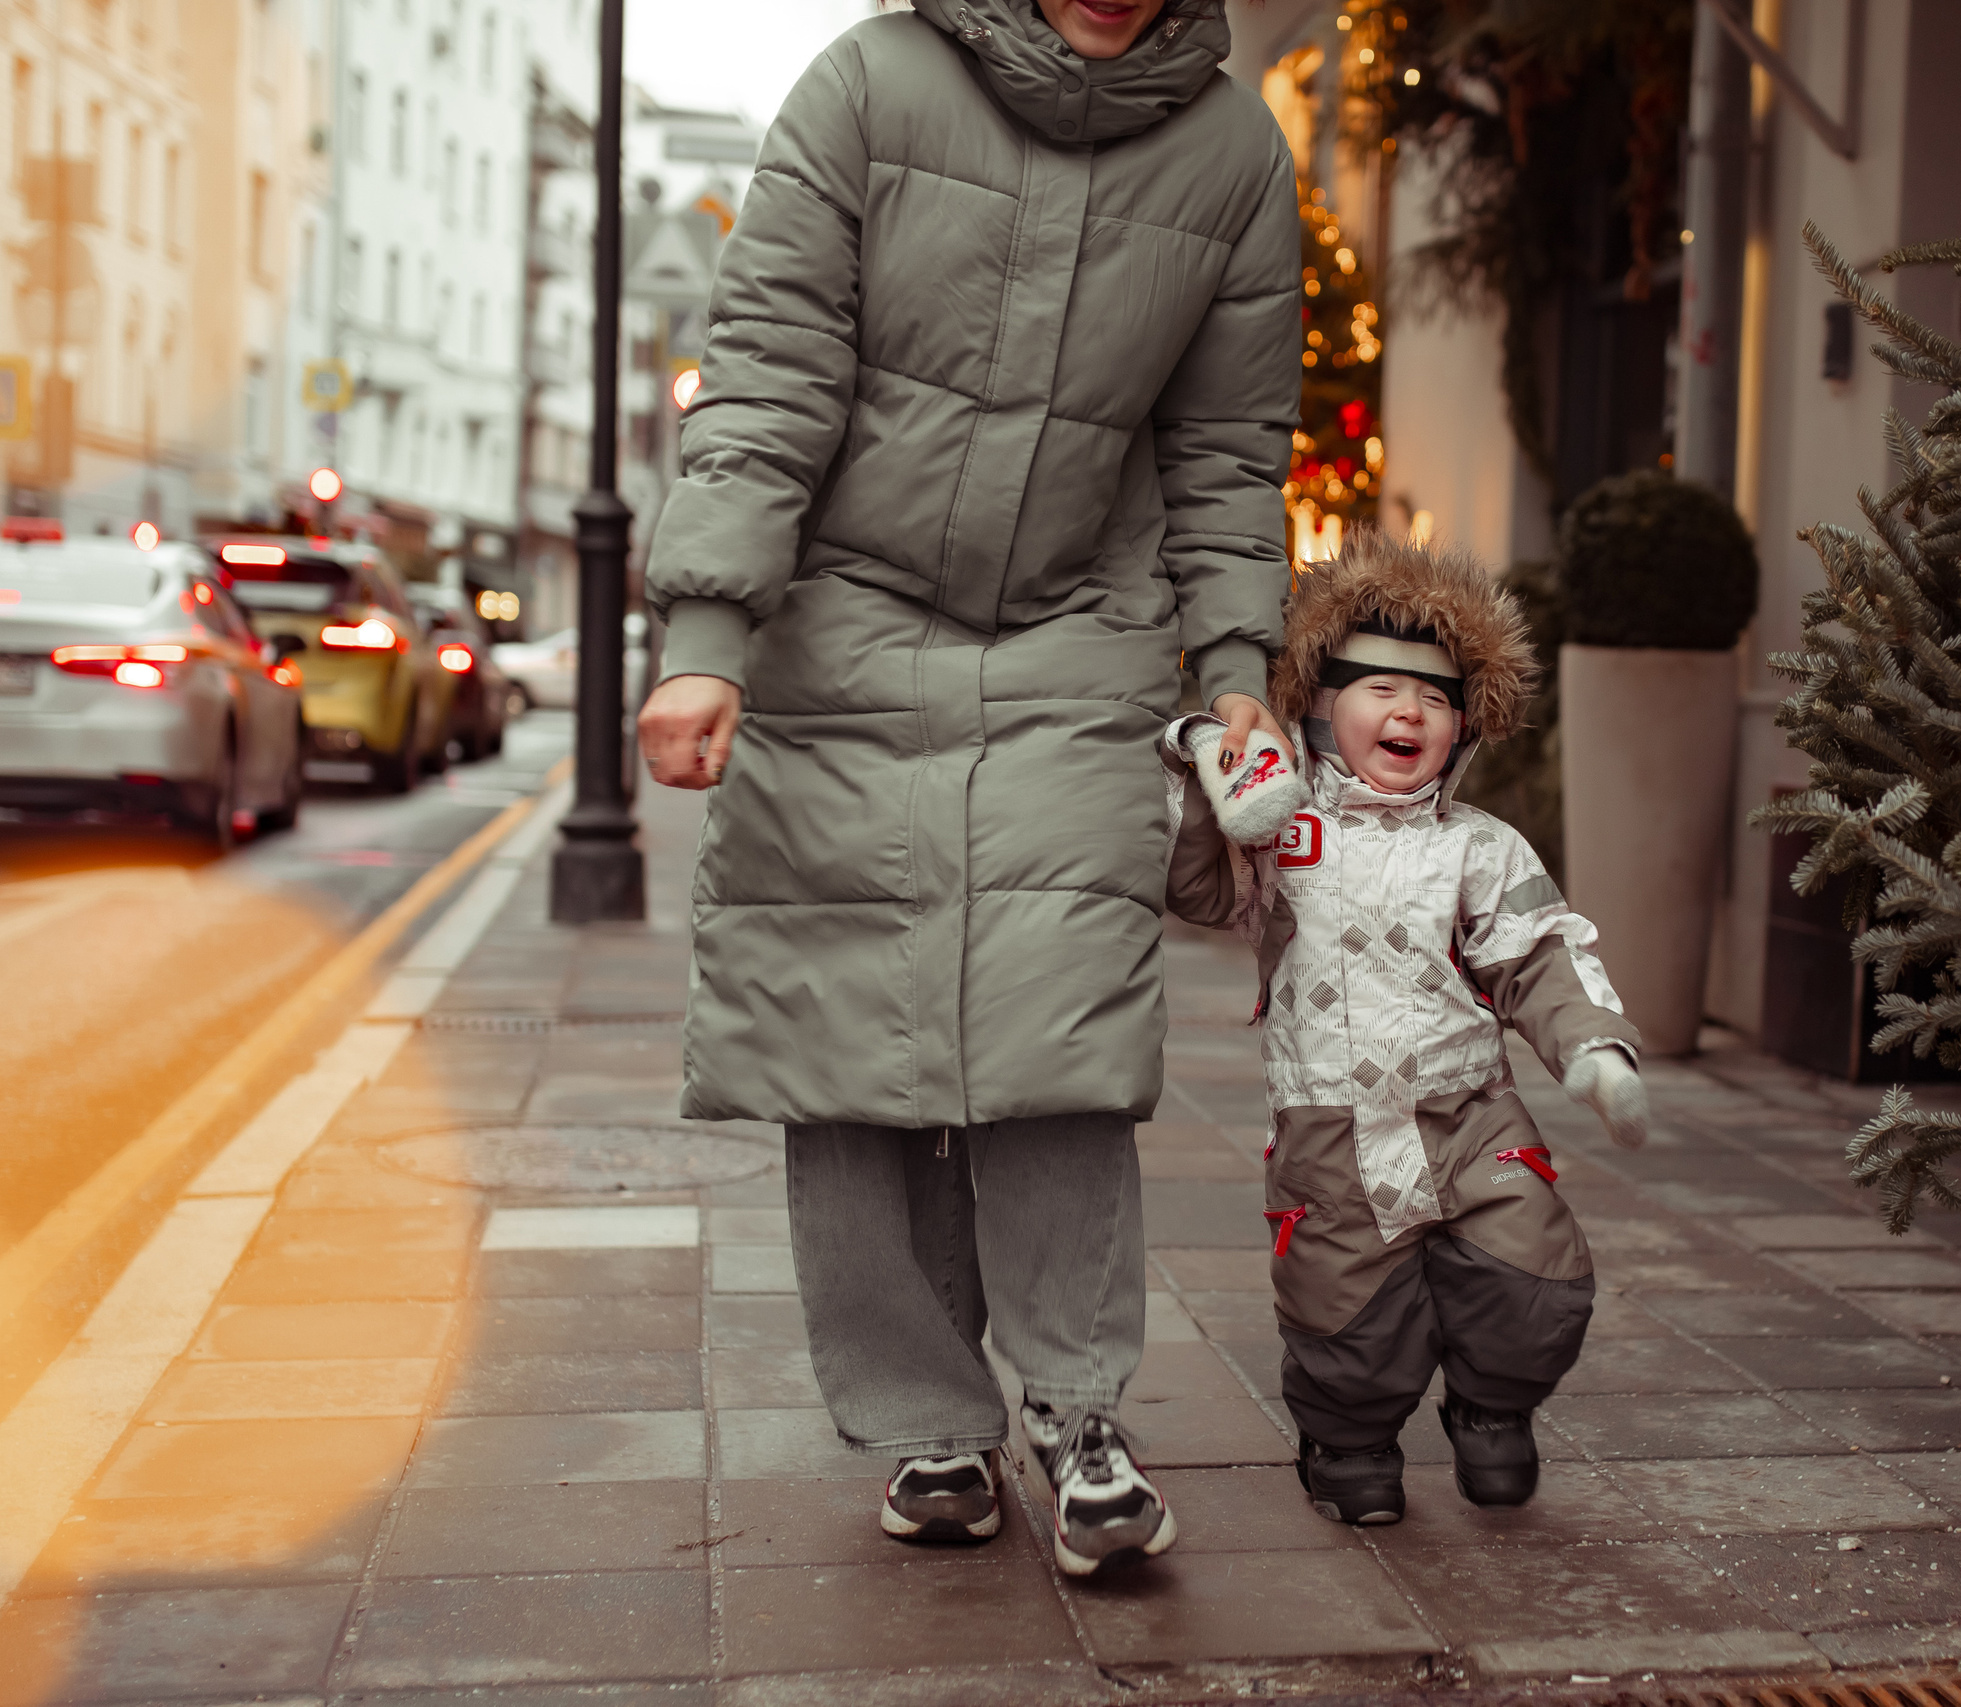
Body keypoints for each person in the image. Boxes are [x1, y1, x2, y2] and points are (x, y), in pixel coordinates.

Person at [634, 0, 1300, 1578]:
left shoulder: (1231, 152)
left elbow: (1225, 450)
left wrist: (1235, 671)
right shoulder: (871, 84)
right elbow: (770, 373)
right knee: (848, 1033)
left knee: (1058, 1022)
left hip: (1077, 631)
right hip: (838, 626)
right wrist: (709, 635)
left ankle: (1077, 1408)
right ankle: (931, 1421)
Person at [1162, 530, 1652, 1525]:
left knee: (1535, 1275)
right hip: (1331, 1126)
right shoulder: (1283, 831)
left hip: (1472, 1110)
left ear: (1463, 727)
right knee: (1348, 1310)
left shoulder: (1477, 846)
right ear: (1315, 706)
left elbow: (1538, 951)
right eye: (1379, 688)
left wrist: (1591, 1049)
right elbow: (1196, 893)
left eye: (1433, 697)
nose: (1408, 711)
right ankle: (1345, 1440)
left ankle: (1491, 1407)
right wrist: (1206, 777)